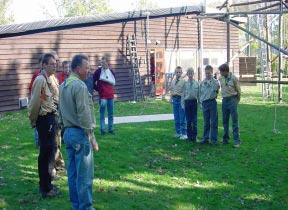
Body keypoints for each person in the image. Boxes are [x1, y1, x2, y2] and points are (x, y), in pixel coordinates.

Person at [59, 54, 98, 210]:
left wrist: (63, 130)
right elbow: (84, 113)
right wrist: (92, 137)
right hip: (80, 134)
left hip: (68, 133)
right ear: (77, 68)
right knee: (84, 176)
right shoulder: (80, 86)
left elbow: (60, 110)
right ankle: (86, 207)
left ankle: (76, 206)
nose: (88, 70)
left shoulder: (63, 85)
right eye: (86, 67)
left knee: (73, 174)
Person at [28, 53, 59, 198]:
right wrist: (33, 120)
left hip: (52, 118)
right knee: (45, 153)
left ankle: (49, 184)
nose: (55, 65)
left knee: (52, 150)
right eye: (52, 64)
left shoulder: (52, 78)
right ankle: (44, 188)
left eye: (55, 63)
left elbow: (55, 97)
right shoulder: (40, 80)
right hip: (44, 120)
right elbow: (35, 103)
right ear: (44, 65)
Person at [218, 63, 241, 147]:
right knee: (225, 121)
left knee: (234, 121)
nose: (220, 73)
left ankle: (237, 140)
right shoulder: (221, 78)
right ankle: (225, 138)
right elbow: (218, 87)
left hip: (232, 99)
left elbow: (238, 90)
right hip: (224, 100)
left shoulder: (234, 78)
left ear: (225, 71)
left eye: (221, 72)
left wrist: (236, 100)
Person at [93, 57, 116, 135]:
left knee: (111, 113)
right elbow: (93, 82)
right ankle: (102, 129)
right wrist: (98, 89)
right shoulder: (98, 72)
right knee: (102, 113)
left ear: (107, 62)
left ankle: (111, 129)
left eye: (104, 62)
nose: (102, 64)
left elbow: (113, 81)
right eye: (101, 63)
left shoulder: (111, 71)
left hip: (110, 96)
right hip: (102, 96)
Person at [199, 65, 220, 145]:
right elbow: (201, 93)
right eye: (206, 73)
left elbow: (217, 90)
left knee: (214, 121)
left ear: (212, 72)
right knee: (206, 122)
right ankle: (205, 138)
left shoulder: (215, 82)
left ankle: (214, 139)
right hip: (205, 103)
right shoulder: (202, 82)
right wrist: (201, 103)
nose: (208, 75)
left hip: (212, 102)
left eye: (209, 73)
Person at [181, 67, 199, 142]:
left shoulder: (197, 83)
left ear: (193, 74)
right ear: (187, 74)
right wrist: (183, 104)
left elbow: (199, 94)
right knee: (188, 120)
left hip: (194, 102)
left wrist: (200, 103)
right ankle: (189, 136)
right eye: (189, 73)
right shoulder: (185, 84)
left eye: (191, 73)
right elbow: (183, 95)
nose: (190, 75)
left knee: (194, 120)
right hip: (187, 102)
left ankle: (194, 137)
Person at [29, 55, 43, 148]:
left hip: (45, 102)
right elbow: (31, 88)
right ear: (40, 64)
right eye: (41, 62)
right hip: (37, 100)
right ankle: (38, 141)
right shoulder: (37, 74)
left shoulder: (50, 74)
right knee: (37, 121)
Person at [170, 66, 187, 140]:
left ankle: (184, 133)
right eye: (177, 72)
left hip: (181, 99)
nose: (178, 73)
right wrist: (171, 98)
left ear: (181, 73)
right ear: (175, 72)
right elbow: (172, 90)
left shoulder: (183, 81)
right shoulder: (173, 81)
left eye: (179, 72)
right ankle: (178, 132)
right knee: (176, 116)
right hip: (174, 99)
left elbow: (185, 91)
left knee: (182, 116)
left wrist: (183, 100)